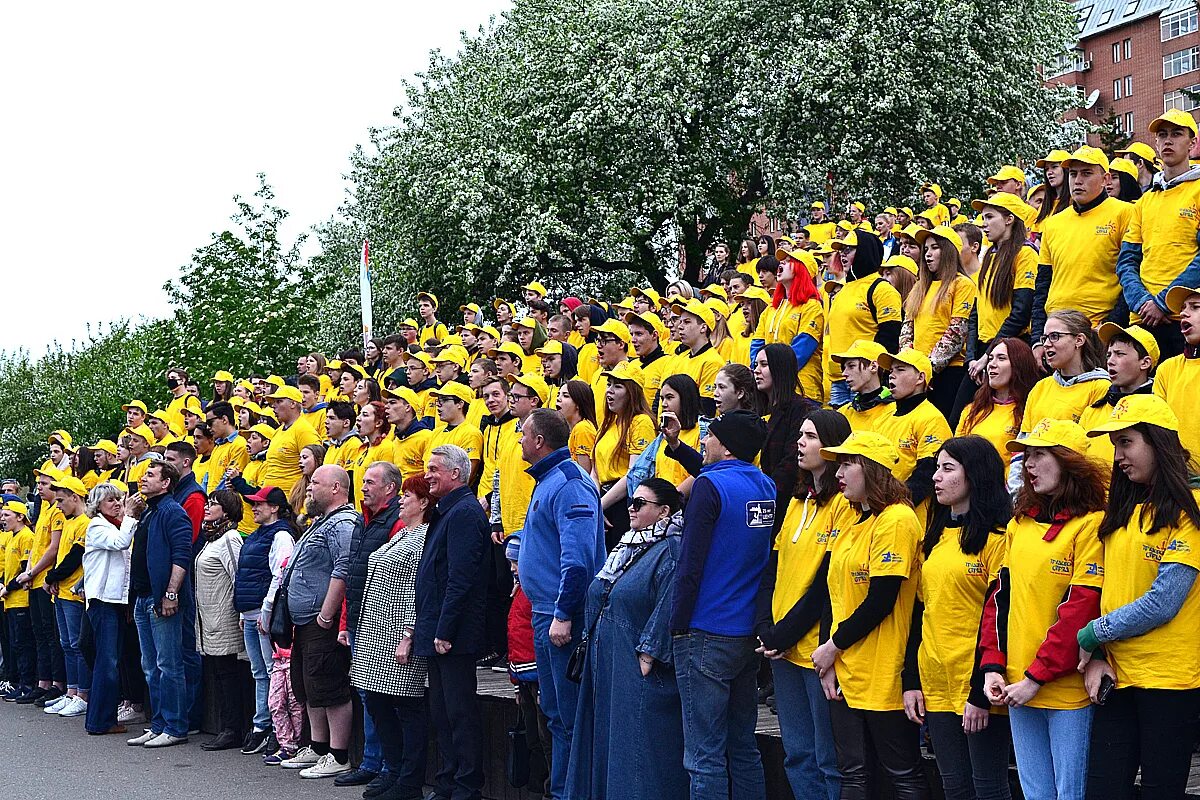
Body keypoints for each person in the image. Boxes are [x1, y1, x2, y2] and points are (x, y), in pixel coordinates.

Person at [1076, 396, 1200, 799]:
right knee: (1102, 790)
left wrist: (1093, 634)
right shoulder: (1122, 511)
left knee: (1161, 792)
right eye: (1114, 445)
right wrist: (1096, 655)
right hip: (1116, 675)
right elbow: (1101, 590)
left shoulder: (1190, 510)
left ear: (1157, 442)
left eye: (1126, 442)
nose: (1118, 456)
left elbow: (1163, 602)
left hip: (1170, 681)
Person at [980, 419, 1107, 800]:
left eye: (1039, 455)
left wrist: (1036, 677)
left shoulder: (1091, 525)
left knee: (1070, 794)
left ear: (1068, 463)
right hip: (1017, 686)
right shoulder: (1020, 523)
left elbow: (1080, 610)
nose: (1028, 466)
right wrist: (991, 667)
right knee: (1036, 795)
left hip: (1063, 690)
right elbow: (999, 600)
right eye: (1026, 457)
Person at [812, 431, 926, 800]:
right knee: (854, 774)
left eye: (848, 463)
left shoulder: (897, 520)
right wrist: (828, 656)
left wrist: (833, 647)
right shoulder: (849, 517)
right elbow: (832, 595)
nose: (838, 472)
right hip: (845, 665)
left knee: (901, 773)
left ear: (873, 469)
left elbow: (881, 600)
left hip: (883, 668)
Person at [670, 410, 774, 800]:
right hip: (746, 630)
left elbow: (690, 562)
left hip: (706, 629)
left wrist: (677, 624)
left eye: (709, 436)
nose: (704, 443)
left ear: (725, 445)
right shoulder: (767, 485)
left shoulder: (709, 487)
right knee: (743, 745)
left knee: (704, 755)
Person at [903, 437, 1012, 800]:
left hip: (977, 683)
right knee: (954, 787)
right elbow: (920, 612)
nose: (936, 477)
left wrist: (981, 693)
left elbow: (1001, 617)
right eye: (937, 467)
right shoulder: (934, 536)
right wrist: (911, 681)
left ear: (975, 476)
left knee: (989, 788)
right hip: (935, 681)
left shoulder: (998, 540)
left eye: (948, 469)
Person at [567, 477, 687, 800]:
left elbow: (670, 603)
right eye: (631, 502)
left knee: (635, 755)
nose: (630, 509)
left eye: (639, 504)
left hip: (636, 673)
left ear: (663, 512)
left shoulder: (671, 549)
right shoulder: (626, 546)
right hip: (605, 667)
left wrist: (648, 655)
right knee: (607, 747)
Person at [755, 410, 852, 800]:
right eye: (800, 435)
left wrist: (783, 633)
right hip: (781, 646)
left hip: (814, 648)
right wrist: (765, 624)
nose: (800, 443)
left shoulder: (843, 504)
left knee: (828, 757)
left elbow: (825, 585)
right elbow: (772, 569)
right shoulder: (797, 502)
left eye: (810, 437)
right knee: (797, 754)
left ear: (831, 446)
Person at [350, 474, 433, 800]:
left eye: (408, 496)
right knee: (381, 705)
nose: (401, 500)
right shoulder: (403, 535)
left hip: (397, 635)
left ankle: (409, 782)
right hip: (376, 634)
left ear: (424, 503)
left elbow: (420, 592)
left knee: (406, 709)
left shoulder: (425, 537)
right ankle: (394, 771)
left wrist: (410, 633)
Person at [414, 445, 490, 800]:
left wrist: (445, 630)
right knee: (442, 713)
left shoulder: (463, 513)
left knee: (459, 713)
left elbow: (461, 578)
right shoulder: (447, 510)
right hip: (437, 628)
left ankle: (466, 785)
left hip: (453, 633)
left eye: (434, 469)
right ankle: (447, 781)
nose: (427, 474)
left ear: (456, 474)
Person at [274, 466, 358, 778]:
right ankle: (318, 746)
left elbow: (344, 568)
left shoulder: (343, 524)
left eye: (315, 483)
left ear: (336, 487)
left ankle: (338, 755)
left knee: (327, 684)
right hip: (305, 620)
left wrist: (327, 614)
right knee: (307, 685)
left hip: (322, 620)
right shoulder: (321, 522)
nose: (309, 488)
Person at [340, 460, 406, 788]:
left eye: (369, 482)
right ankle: (371, 761)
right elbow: (353, 572)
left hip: (382, 623)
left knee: (380, 698)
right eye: (362, 481)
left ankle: (385, 767)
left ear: (390, 488)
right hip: (358, 619)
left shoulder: (396, 521)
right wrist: (344, 621)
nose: (362, 487)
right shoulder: (363, 520)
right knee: (366, 695)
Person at [1117, 109, 1200, 359]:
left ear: (1192, 143)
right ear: (1156, 143)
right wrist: (1143, 302)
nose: (1168, 140)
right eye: (1162, 135)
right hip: (1142, 318)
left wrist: (1163, 302)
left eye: (1177, 134)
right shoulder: (1145, 201)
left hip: (1184, 317)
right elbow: (1127, 261)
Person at [126, 460, 196, 748]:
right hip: (144, 598)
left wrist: (170, 594)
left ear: (166, 482)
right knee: (151, 666)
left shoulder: (173, 512)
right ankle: (158, 724)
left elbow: (182, 556)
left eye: (150, 475)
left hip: (161, 600)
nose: (143, 479)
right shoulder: (150, 513)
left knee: (169, 665)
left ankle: (176, 727)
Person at [1034, 145, 1133, 342]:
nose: (1078, 180)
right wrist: (1037, 338)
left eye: (1087, 173)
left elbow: (1133, 272)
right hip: (1056, 329)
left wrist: (1112, 325)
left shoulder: (1125, 213)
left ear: (1105, 179)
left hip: (1097, 329)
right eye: (1073, 174)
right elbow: (1043, 284)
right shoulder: (1053, 223)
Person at [956, 193, 1037, 426]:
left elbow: (1021, 312)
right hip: (983, 352)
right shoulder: (990, 255)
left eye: (990, 217)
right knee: (961, 419)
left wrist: (988, 356)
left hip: (1009, 349)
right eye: (983, 217)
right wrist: (972, 357)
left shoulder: (1025, 254)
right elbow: (976, 312)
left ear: (1010, 219)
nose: (984, 224)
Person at [1009, 310, 1110, 491]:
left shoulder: (1101, 387)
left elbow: (1094, 452)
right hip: (1036, 490)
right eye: (1045, 338)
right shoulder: (1040, 388)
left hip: (1075, 490)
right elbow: (1023, 445)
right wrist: (1016, 491)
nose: (1047, 344)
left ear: (1079, 340)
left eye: (1055, 336)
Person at [901, 226, 977, 418]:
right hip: (918, 375)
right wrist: (908, 363)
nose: (928, 254)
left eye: (935, 248)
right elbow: (907, 328)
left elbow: (956, 332)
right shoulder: (920, 286)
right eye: (926, 249)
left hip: (947, 373)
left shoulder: (962, 284)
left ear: (949, 250)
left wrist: (926, 368)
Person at [193, 489, 247, 751]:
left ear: (226, 511)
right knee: (219, 673)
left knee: (228, 674)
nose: (207, 507)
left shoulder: (230, 538)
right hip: (209, 617)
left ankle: (232, 728)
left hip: (225, 617)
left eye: (213, 504)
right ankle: (228, 725)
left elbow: (238, 576)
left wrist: (240, 613)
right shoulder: (211, 539)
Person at [827, 230, 902, 405]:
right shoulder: (842, 290)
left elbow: (889, 336)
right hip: (839, 378)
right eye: (841, 250)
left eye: (849, 250)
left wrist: (876, 375)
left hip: (866, 379)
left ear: (864, 252)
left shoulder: (882, 289)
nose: (842, 255)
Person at [874, 349, 952, 514]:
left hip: (913, 514)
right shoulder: (882, 417)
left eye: (900, 370)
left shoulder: (932, 418)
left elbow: (927, 474)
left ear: (920, 378)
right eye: (891, 370)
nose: (892, 375)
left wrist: (894, 505)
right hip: (880, 510)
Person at [41, 475, 91, 718]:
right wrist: (52, 577)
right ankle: (71, 692)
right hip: (61, 591)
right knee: (66, 645)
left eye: (61, 500)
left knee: (76, 645)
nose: (57, 505)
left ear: (75, 497)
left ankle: (83, 694)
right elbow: (60, 555)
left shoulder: (85, 522)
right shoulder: (67, 521)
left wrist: (51, 577)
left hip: (73, 593)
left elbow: (74, 558)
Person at [1078, 324, 1159, 465]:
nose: (1110, 361)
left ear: (1145, 363)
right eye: (1109, 355)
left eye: (1119, 354)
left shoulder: (1159, 409)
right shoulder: (1092, 412)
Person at [753, 245, 825, 402]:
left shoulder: (812, 306)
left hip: (803, 391)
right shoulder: (771, 309)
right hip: (774, 391)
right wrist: (758, 369)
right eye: (781, 261)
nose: (781, 264)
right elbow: (757, 344)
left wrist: (771, 372)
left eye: (788, 261)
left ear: (802, 269)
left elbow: (801, 349)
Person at [596, 362, 656, 546]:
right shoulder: (609, 423)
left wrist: (600, 505)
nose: (609, 391)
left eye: (618, 386)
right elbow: (596, 469)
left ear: (632, 392)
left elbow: (634, 475)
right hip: (604, 501)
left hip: (623, 503)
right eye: (609, 384)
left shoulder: (641, 423)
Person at [956, 338, 1040, 468]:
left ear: (1019, 364)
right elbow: (956, 456)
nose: (991, 364)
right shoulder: (971, 410)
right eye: (990, 359)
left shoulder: (1030, 411)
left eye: (1001, 358)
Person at [23, 467, 66, 707]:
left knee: (51, 635)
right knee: (40, 633)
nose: (40, 487)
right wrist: (28, 572)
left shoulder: (57, 512)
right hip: (36, 578)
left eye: (45, 484)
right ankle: (43, 682)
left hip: (46, 579)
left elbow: (53, 548)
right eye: (38, 483)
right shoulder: (44, 510)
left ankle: (57, 684)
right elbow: (37, 546)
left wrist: (35, 571)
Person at [1156, 284, 1200, 461]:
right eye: (1182, 308)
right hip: (1177, 480)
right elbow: (1158, 429)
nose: (1183, 313)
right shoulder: (1167, 369)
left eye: (1195, 307)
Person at [0, 501, 37, 705]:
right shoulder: (13, 537)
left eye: (7, 515)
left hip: (21, 599)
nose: (3, 518)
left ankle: (27, 684)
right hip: (11, 601)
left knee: (24, 644)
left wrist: (8, 587)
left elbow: (24, 570)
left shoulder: (26, 536)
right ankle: (21, 684)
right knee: (16, 644)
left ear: (20, 517)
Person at [263, 385, 322, 495]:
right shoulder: (278, 431)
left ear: (293, 404)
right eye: (273, 402)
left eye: (279, 401)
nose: (273, 406)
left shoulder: (304, 431)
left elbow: (316, 468)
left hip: (291, 502)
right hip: (272, 501)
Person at [833, 340, 895, 430]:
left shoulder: (894, 411)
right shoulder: (843, 414)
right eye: (843, 368)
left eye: (851, 366)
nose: (844, 373)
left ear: (873, 367)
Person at [558, 380, 598, 475]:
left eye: (566, 396)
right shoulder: (573, 429)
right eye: (558, 395)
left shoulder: (583, 429)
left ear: (578, 404)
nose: (559, 399)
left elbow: (584, 473)